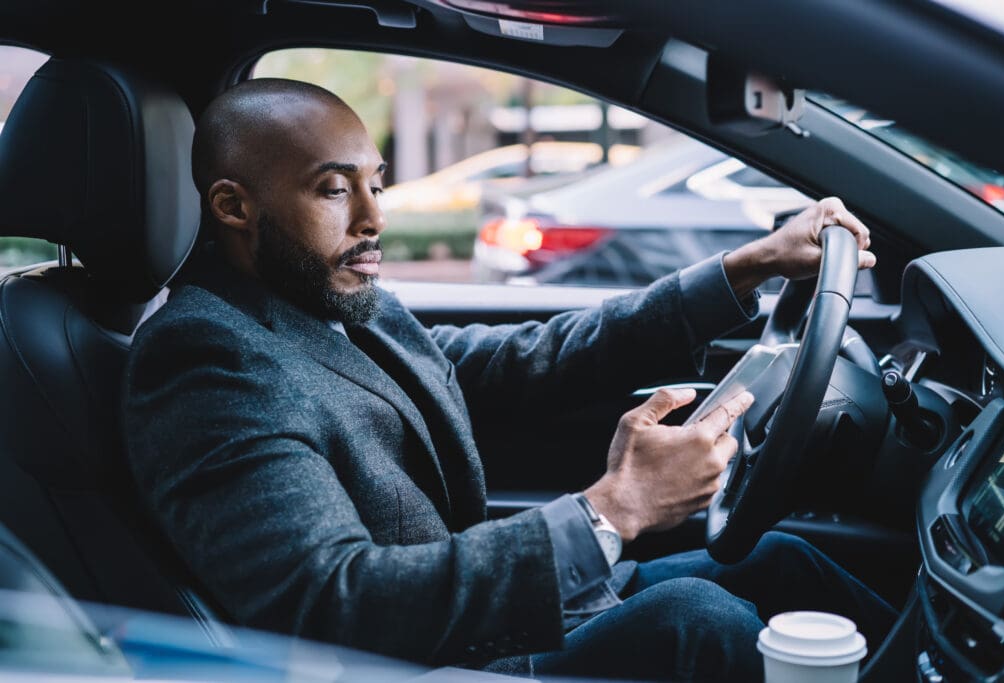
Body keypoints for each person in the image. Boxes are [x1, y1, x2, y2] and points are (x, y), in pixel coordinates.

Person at [122, 78, 893, 681]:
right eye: (333, 189)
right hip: (428, 665)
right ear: (233, 205)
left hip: (468, 631)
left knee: (784, 560)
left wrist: (742, 268)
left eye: (375, 184)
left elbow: (529, 357)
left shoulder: (331, 304)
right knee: (697, 618)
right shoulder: (202, 360)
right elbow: (331, 601)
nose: (373, 218)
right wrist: (613, 508)